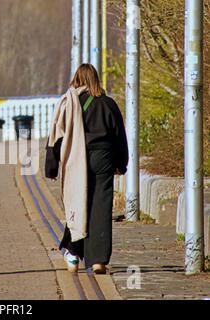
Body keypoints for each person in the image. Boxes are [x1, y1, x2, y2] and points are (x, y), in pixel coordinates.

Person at [45, 64, 128, 274]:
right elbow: (119, 137)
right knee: (100, 207)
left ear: (76, 79)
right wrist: (121, 163)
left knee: (77, 203)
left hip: (76, 159)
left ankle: (73, 254)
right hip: (104, 159)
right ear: (96, 80)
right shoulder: (108, 104)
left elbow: (57, 137)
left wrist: (52, 167)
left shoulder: (68, 104)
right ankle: (99, 260)